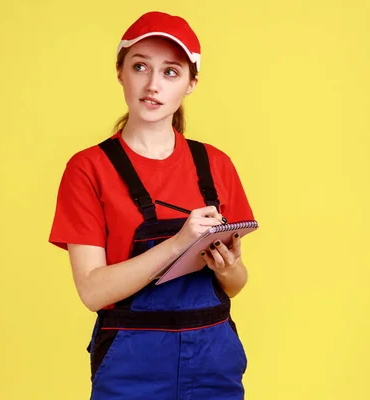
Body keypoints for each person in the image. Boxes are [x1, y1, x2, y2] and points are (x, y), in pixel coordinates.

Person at [49, 11, 255, 400]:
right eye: (140, 66)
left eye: (171, 72)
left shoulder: (216, 165)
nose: (152, 84)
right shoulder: (88, 169)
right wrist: (178, 244)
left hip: (214, 361)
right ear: (120, 72)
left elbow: (235, 285)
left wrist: (231, 269)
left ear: (191, 83)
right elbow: (92, 291)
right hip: (131, 368)